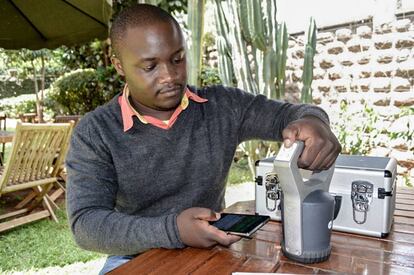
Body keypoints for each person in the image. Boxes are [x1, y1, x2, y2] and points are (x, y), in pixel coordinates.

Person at [66, 3, 341, 274]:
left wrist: (315, 121)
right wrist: (174, 230)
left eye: (177, 59)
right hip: (132, 258)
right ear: (119, 66)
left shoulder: (222, 107)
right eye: (150, 67)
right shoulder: (96, 132)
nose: (170, 76)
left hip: (213, 252)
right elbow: (87, 224)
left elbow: (291, 114)